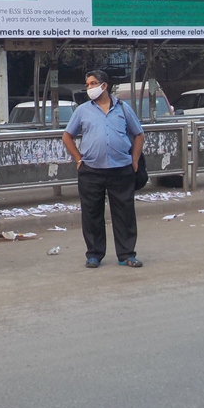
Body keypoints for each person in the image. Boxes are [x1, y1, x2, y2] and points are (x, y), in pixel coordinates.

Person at [62, 70, 145, 269]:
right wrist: (78, 158)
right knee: (91, 214)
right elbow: (67, 136)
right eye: (87, 84)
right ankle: (94, 254)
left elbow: (139, 134)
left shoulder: (123, 109)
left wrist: (134, 160)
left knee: (124, 214)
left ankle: (126, 254)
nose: (89, 87)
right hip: (91, 170)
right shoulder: (82, 110)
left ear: (104, 86)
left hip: (121, 169)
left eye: (93, 83)